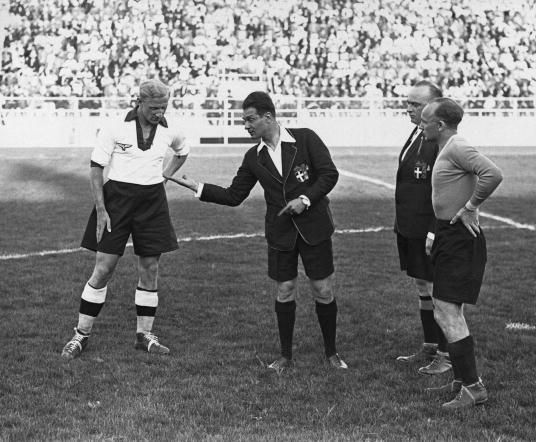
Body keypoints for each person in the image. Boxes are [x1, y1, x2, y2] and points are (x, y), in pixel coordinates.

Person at [165, 91, 348, 371]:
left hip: (315, 228)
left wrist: (305, 200)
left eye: (250, 119)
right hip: (280, 232)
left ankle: (332, 353)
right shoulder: (254, 157)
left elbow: (329, 174)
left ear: (268, 117)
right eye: (244, 121)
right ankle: (286, 356)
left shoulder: (306, 138)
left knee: (322, 289)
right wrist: (198, 188)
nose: (246, 126)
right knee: (285, 290)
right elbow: (234, 194)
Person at [61, 79, 189, 360]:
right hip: (116, 200)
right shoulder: (115, 126)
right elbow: (96, 168)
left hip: (152, 202)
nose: (159, 113)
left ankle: (144, 335)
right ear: (139, 102)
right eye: (154, 107)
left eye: (164, 107)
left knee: (150, 267)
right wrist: (101, 208)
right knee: (104, 268)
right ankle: (81, 335)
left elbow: (183, 152)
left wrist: (163, 177)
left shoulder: (172, 128)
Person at [419, 98, 503, 409]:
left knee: (444, 310)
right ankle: (460, 381)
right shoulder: (448, 147)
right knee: (450, 308)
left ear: (439, 125)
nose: (420, 124)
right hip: (447, 234)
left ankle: (473, 388)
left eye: (425, 120)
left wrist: (470, 207)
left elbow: (493, 173)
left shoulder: (456, 146)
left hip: (459, 237)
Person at [393, 80, 451, 376]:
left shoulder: (440, 141)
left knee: (435, 288)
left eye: (415, 104)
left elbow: (443, 192)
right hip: (408, 226)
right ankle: (430, 346)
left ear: (434, 106)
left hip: (427, 229)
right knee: (422, 287)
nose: (408, 108)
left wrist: (432, 229)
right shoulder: (416, 133)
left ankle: (445, 353)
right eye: (408, 103)